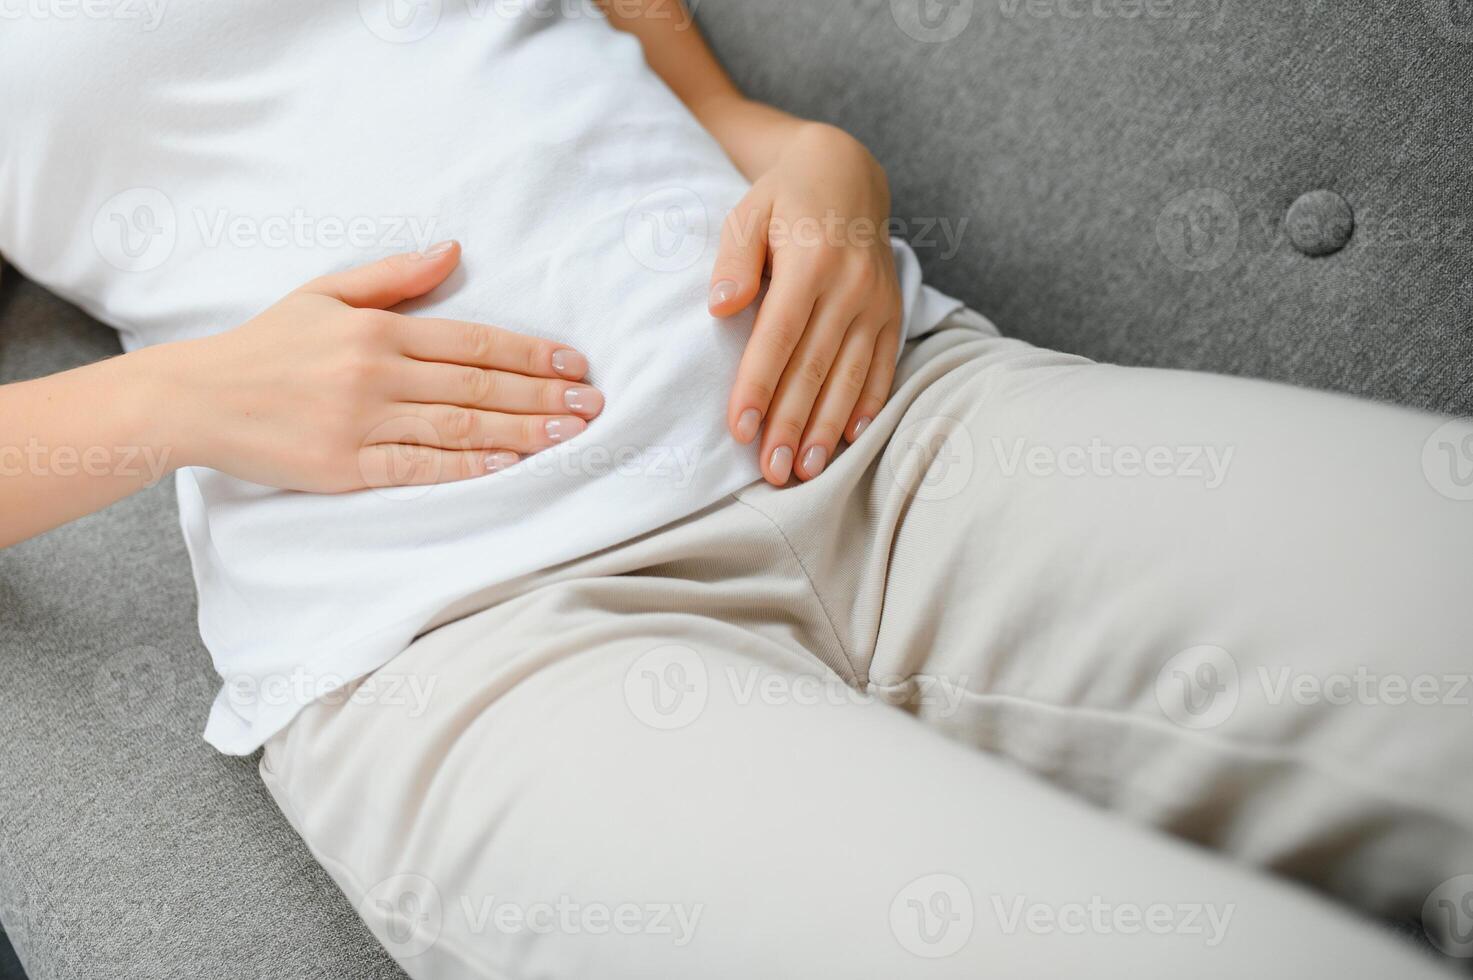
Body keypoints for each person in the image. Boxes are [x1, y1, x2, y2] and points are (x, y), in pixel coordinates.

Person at [1, 1, 1469, 976]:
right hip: (475, 646)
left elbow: (658, 64)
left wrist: (799, 153)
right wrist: (177, 400)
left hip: (902, 430)